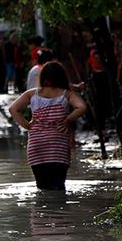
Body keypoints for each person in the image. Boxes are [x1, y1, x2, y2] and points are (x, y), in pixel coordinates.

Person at [9, 61, 88, 191]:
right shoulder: (66, 94)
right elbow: (82, 107)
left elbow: (13, 109)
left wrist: (28, 126)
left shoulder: (31, 94)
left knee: (42, 187)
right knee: (58, 186)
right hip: (58, 146)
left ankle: (42, 210)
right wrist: (68, 119)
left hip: (36, 146)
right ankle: (59, 209)